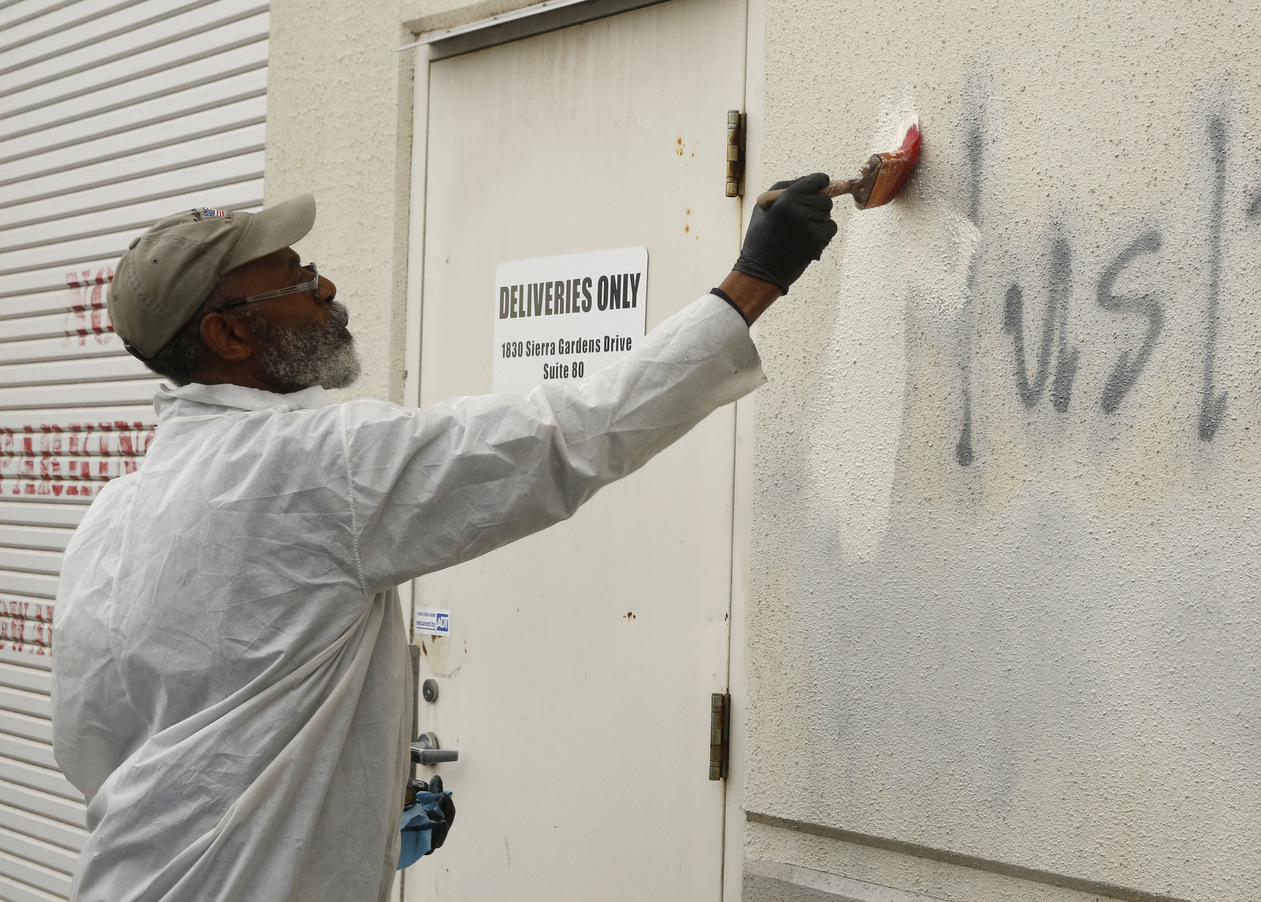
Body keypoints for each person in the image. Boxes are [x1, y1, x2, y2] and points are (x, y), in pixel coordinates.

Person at [50, 175, 837, 902]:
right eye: (295, 281)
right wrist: (754, 281)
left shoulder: (113, 516)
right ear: (227, 334)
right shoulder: (321, 468)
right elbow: (573, 434)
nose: (325, 287)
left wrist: (342, 795)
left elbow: (98, 747)